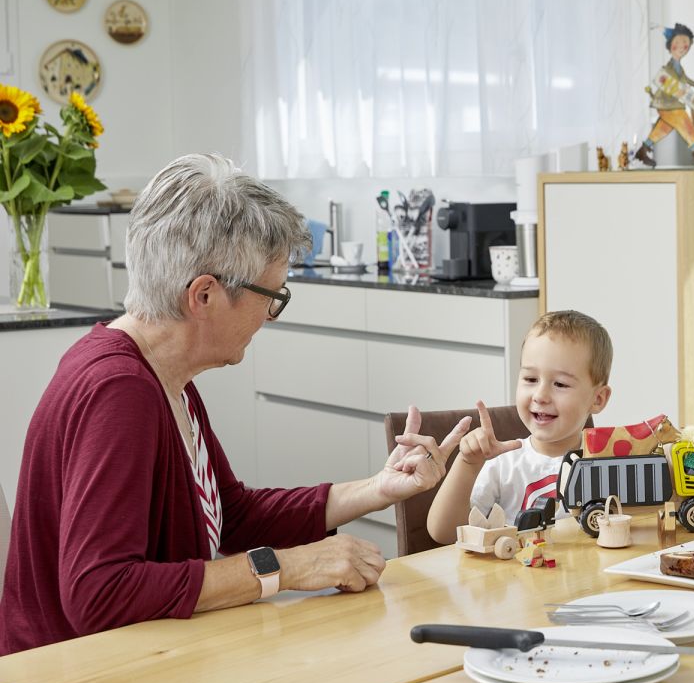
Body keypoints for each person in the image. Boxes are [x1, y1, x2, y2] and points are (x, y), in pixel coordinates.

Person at [0, 154, 469, 655]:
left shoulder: (160, 372)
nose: (271, 315)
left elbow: (232, 513)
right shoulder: (121, 391)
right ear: (203, 295)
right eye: (272, 295)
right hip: (75, 673)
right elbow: (99, 593)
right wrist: (284, 568)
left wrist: (379, 488)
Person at [426, 310, 612, 544]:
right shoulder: (503, 465)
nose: (541, 395)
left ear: (598, 399)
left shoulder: (610, 463)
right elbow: (443, 533)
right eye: (531, 379)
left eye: (561, 384)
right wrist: (468, 464)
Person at [633, 23, 694, 168]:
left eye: (686, 44)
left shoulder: (680, 68)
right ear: (670, 45)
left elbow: (686, 80)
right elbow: (663, 80)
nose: (681, 47)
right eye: (678, 43)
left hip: (672, 104)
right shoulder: (668, 68)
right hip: (667, 104)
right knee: (684, 121)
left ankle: (642, 151)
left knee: (662, 129)